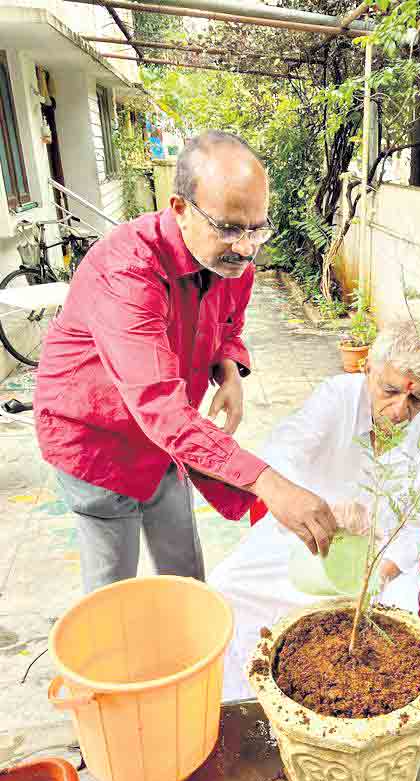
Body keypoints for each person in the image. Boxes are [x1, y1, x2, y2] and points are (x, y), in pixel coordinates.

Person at [35, 131, 336, 593]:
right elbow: (160, 406)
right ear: (180, 210)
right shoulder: (127, 271)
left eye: (257, 228)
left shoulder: (234, 261)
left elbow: (227, 325)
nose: (246, 246)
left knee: (186, 574)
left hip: (166, 443)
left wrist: (229, 369)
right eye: (231, 229)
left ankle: (188, 648)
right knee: (114, 594)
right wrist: (268, 484)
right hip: (96, 438)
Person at [209, 321, 420, 701]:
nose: (399, 410)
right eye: (389, 391)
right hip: (305, 540)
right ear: (367, 369)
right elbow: (282, 453)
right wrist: (317, 506)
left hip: (381, 559)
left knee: (391, 634)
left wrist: (379, 574)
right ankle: (244, 702)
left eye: (417, 400)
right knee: (227, 587)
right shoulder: (337, 398)